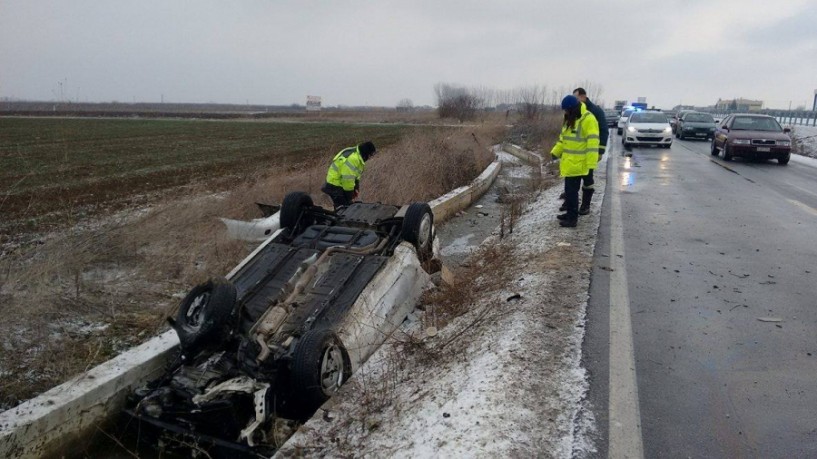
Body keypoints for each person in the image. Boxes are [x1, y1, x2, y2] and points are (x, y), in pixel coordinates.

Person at [551, 95, 599, 227]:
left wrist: (591, 163)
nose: (565, 113)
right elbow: (563, 140)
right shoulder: (570, 120)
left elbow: (593, 143)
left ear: (573, 109)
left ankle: (572, 219)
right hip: (569, 162)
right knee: (569, 191)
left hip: (579, 163)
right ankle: (570, 214)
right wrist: (555, 152)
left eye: (567, 110)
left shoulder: (588, 119)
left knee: (572, 192)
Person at [572, 87, 608, 215]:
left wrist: (600, 151)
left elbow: (604, 130)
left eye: (576, 98)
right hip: (576, 153)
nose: (575, 101)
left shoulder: (595, 111)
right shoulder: (574, 110)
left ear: (583, 97)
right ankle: (571, 204)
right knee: (573, 179)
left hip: (590, 152)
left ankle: (585, 205)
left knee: (587, 179)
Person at [321, 141, 376, 209]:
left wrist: (356, 186)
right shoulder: (353, 159)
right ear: (366, 153)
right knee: (345, 209)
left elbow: (355, 174)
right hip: (334, 185)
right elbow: (347, 179)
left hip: (339, 183)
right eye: (370, 155)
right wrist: (349, 196)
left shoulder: (357, 155)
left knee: (343, 208)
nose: (370, 158)